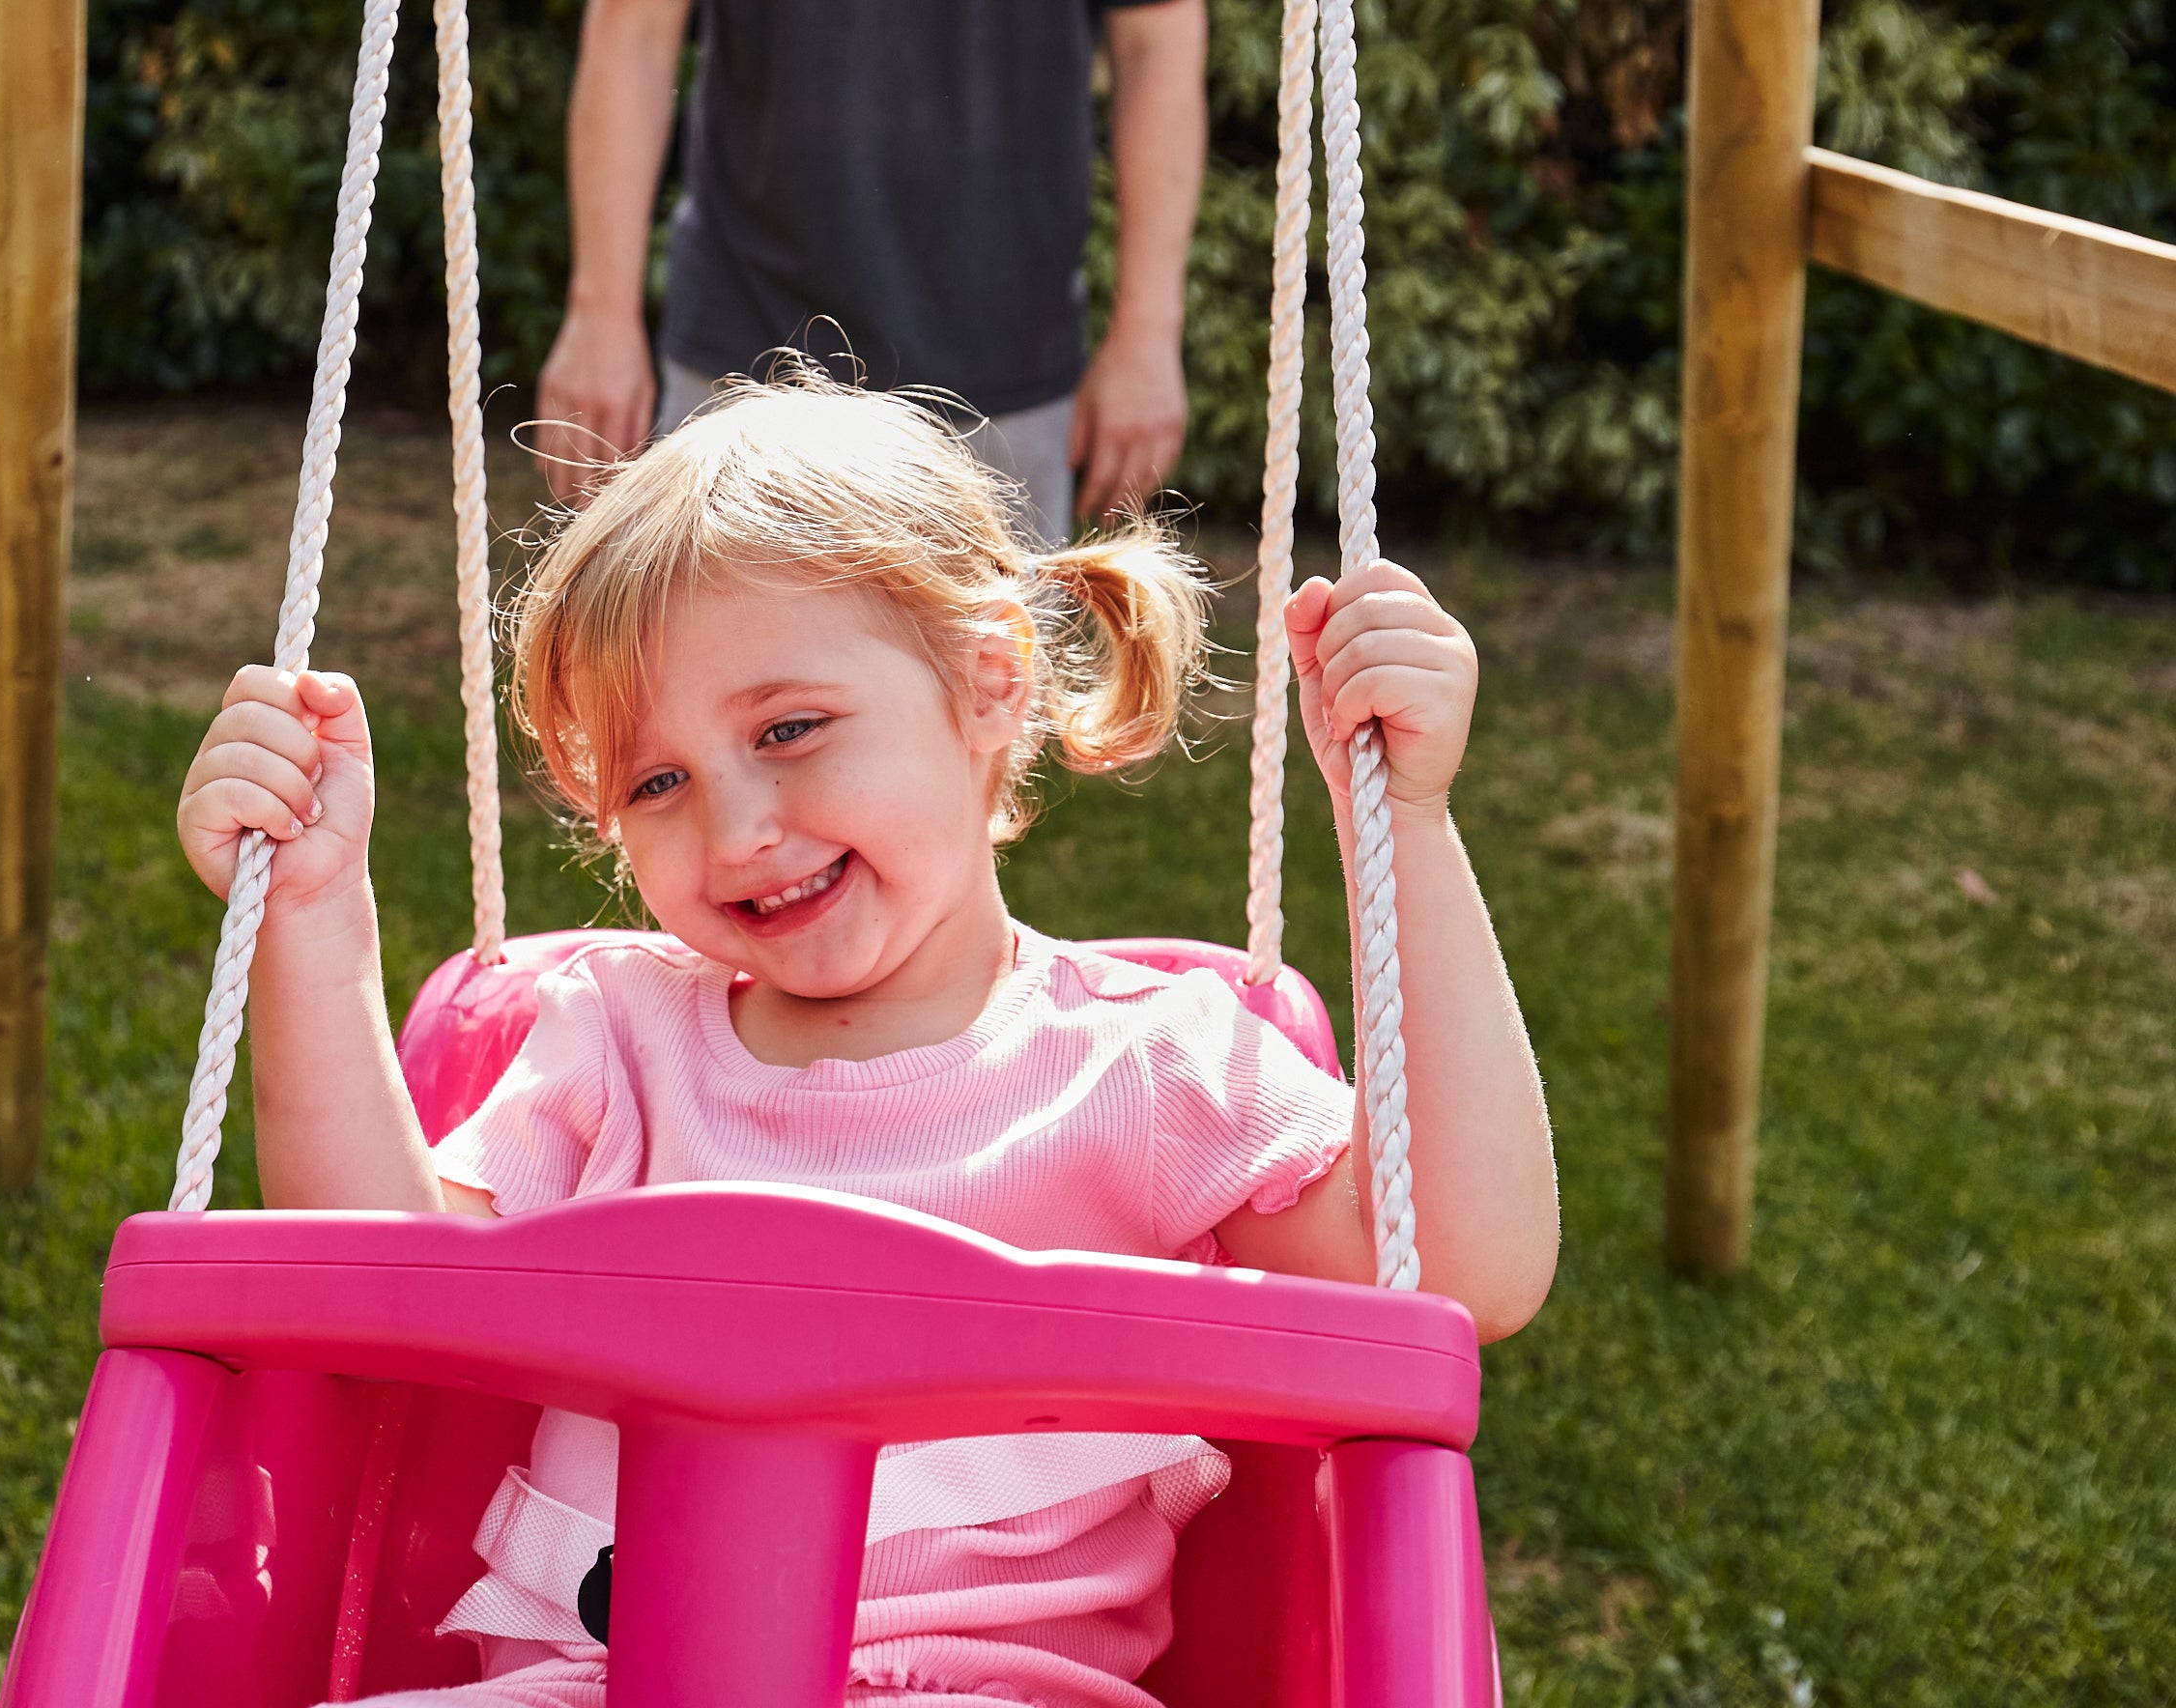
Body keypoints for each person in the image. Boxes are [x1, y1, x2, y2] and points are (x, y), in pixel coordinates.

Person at [177, 375, 1558, 1707]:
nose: (735, 829)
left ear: (990, 682)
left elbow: (1462, 1267)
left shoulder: (1143, 1070)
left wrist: (1404, 826)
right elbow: (375, 1288)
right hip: (592, 1684)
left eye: (790, 729)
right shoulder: (618, 1041)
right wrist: (311, 913)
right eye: (657, 782)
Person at [530, 0, 1279, 541]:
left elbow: (1158, 48)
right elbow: (635, 28)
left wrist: (1148, 335)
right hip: (744, 355)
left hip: (1005, 376)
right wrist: (600, 315)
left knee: (999, 628)